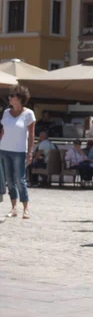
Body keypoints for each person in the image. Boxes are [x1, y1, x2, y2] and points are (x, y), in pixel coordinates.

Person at [0, 85, 35, 219]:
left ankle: (26, 208)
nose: (9, 98)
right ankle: (13, 208)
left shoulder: (29, 114)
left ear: (19, 98)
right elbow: (3, 132)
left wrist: (30, 153)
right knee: (9, 180)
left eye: (12, 96)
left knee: (20, 180)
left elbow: (31, 136)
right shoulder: (6, 113)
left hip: (19, 151)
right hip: (4, 150)